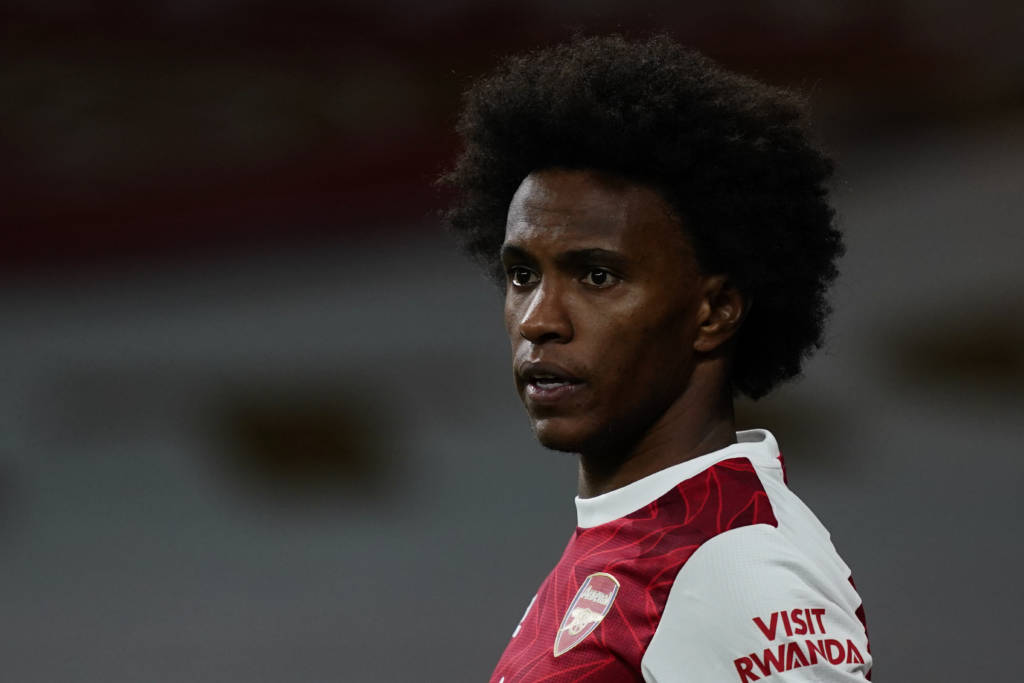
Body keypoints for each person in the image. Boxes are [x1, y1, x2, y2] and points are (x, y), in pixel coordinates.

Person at [441, 34, 871, 682]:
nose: (538, 320)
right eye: (523, 275)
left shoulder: (735, 565)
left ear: (714, 310)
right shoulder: (635, 542)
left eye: (597, 276)